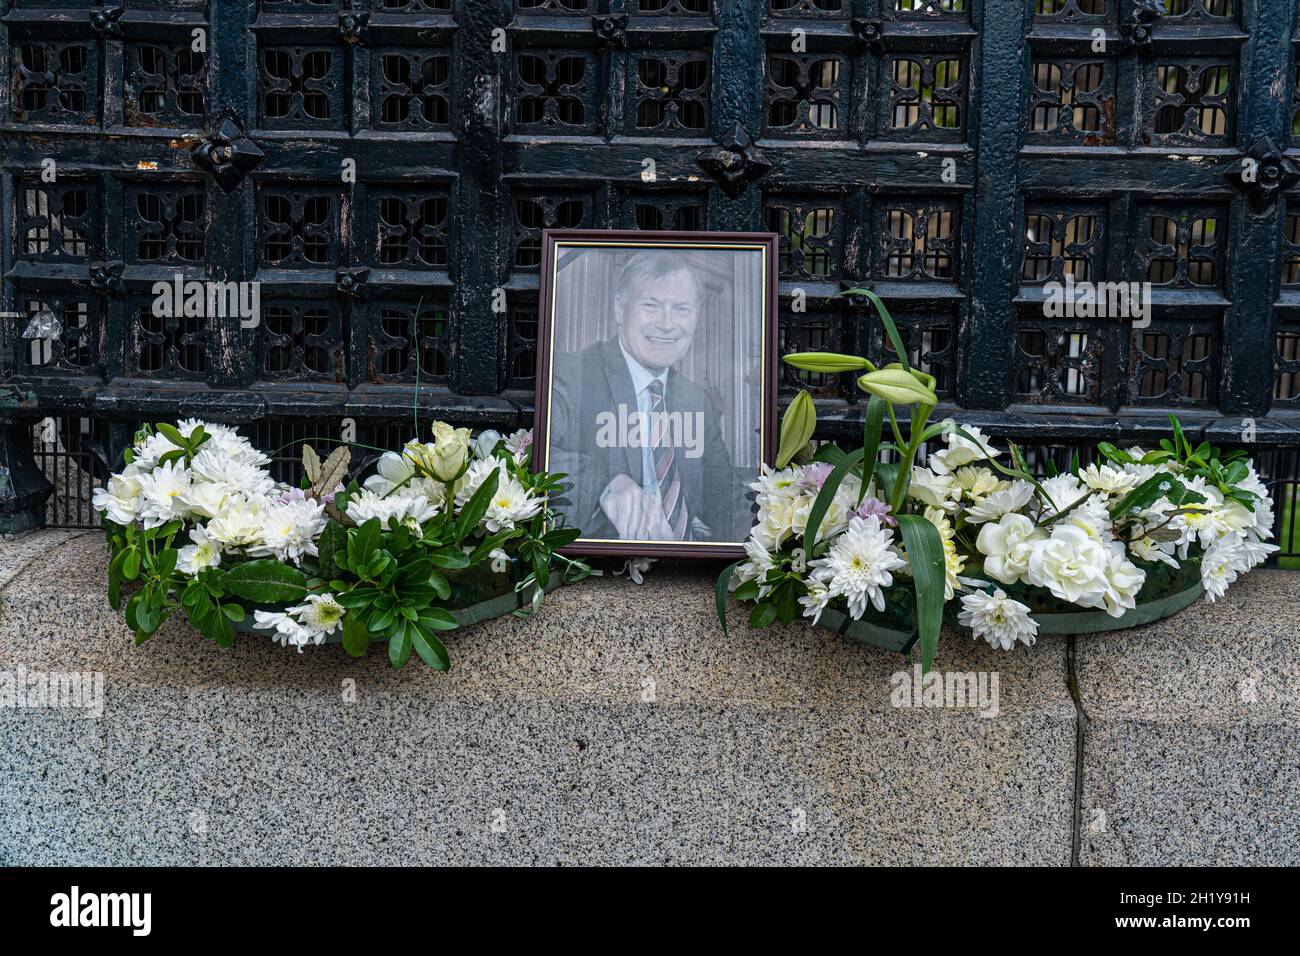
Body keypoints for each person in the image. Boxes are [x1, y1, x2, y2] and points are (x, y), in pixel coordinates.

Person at [547, 250, 750, 543]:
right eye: (651, 306)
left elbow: (720, 493)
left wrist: (764, 548)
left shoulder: (695, 399)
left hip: (686, 565)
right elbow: (532, 455)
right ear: (620, 309)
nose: (667, 324)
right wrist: (608, 484)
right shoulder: (570, 374)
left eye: (681, 309)